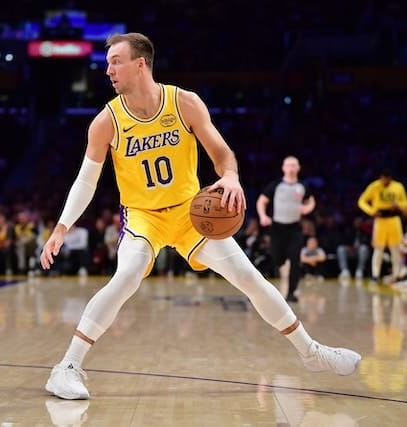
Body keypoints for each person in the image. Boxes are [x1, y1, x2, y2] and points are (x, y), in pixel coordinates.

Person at [40, 32, 360, 400]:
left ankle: (312, 353)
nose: (108, 69)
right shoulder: (106, 121)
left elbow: (222, 154)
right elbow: (86, 181)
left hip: (190, 213)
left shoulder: (184, 103)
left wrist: (231, 177)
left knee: (248, 276)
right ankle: (66, 367)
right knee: (127, 275)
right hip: (143, 216)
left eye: (116, 61)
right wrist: (61, 228)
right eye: (108, 62)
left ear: (140, 64)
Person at [256, 156, 316, 302]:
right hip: (277, 228)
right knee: (277, 258)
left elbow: (311, 201)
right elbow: (261, 201)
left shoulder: (302, 186)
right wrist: (263, 216)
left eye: (293, 165)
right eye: (288, 165)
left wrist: (307, 209)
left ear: (298, 168)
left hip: (294, 228)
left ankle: (291, 293)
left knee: (295, 260)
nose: (291, 168)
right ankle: (278, 263)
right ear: (283, 168)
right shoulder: (276, 185)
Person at [357, 169, 407, 284]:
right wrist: (371, 211)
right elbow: (361, 201)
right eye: (383, 178)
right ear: (381, 177)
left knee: (396, 249)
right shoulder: (374, 186)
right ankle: (375, 275)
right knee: (378, 249)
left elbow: (405, 203)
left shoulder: (398, 187)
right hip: (380, 219)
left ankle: (397, 275)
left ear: (390, 178)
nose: (385, 181)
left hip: (394, 219)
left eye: (387, 179)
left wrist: (398, 205)